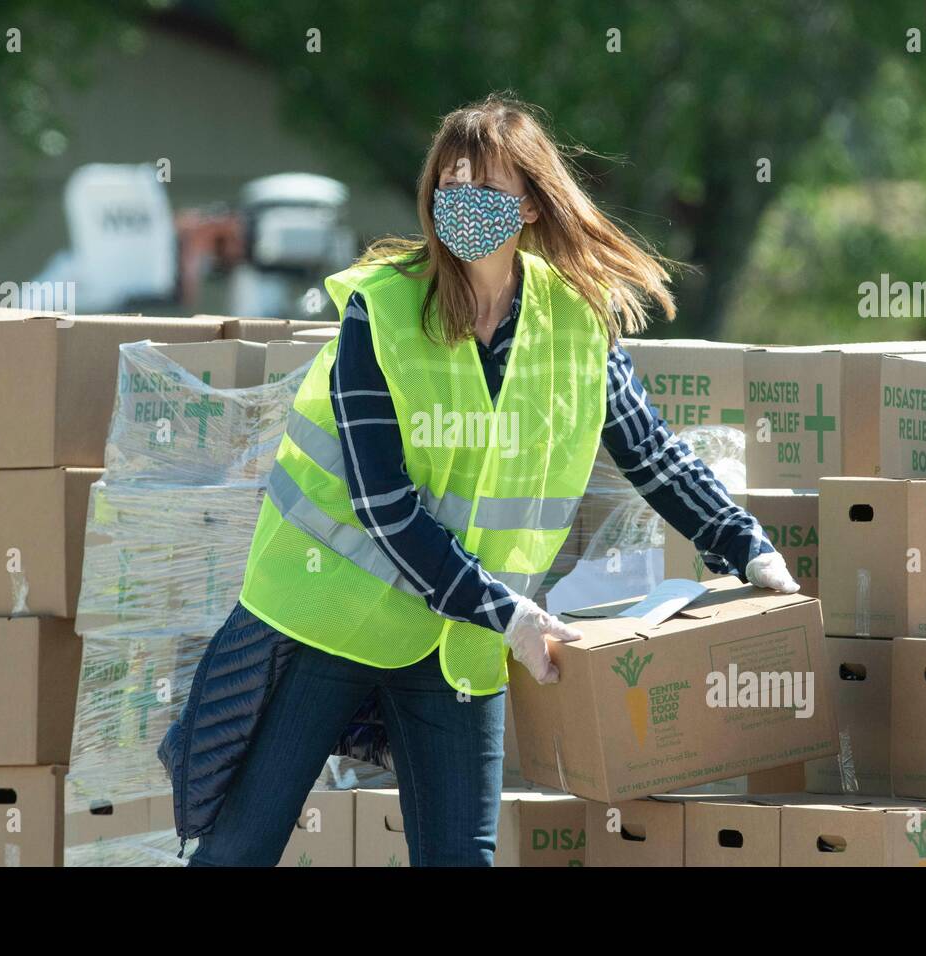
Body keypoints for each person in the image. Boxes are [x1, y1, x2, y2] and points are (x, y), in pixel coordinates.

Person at [173, 93, 799, 867]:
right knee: (239, 850)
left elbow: (650, 450)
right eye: (448, 188)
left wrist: (745, 545)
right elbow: (381, 502)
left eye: (485, 192)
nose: (460, 208)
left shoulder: (574, 319)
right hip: (334, 614)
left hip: (460, 642)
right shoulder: (384, 309)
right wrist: (508, 613)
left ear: (532, 204)